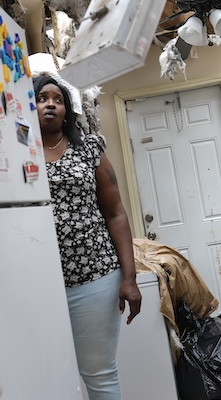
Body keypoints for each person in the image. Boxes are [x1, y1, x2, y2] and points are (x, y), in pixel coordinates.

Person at [34, 73, 141, 400]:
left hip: (93, 278)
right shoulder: (14, 153)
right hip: (36, 285)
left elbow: (116, 213)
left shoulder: (89, 148)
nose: (50, 104)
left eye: (58, 99)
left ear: (67, 110)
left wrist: (130, 277)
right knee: (44, 374)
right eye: (41, 98)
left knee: (99, 373)